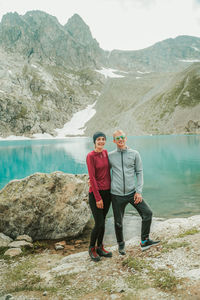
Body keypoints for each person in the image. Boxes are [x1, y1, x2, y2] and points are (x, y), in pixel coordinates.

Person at [108, 129, 160, 254]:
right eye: (117, 138)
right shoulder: (110, 156)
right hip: (116, 195)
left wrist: (139, 191)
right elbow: (102, 172)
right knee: (118, 222)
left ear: (126, 138)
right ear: (114, 141)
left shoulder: (134, 154)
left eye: (122, 137)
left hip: (132, 193)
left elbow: (139, 172)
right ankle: (121, 244)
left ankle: (144, 241)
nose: (120, 139)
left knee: (147, 213)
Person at [86, 131, 112, 262]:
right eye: (98, 140)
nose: (101, 141)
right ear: (94, 142)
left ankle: (100, 247)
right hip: (96, 193)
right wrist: (97, 198)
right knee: (99, 222)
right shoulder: (90, 156)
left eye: (103, 139)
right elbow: (92, 178)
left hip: (108, 193)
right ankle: (91, 248)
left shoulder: (106, 153)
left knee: (103, 221)